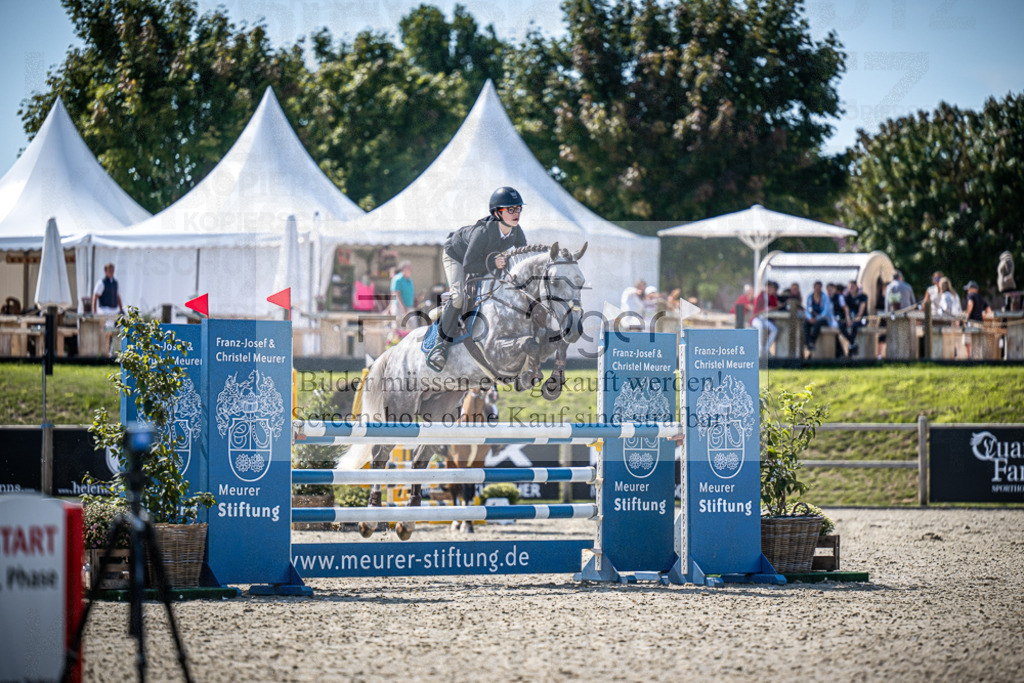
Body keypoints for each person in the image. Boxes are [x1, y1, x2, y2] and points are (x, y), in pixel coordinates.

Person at [427, 187, 528, 371]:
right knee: (458, 297)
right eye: (511, 209)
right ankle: (439, 345)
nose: (516, 213)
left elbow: (523, 258)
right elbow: (469, 266)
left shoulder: (516, 231)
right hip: (456, 256)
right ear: (497, 213)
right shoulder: (482, 232)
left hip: (482, 260)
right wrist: (493, 263)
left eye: (518, 209)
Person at [750, 281, 781, 356]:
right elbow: (756, 310)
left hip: (765, 319)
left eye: (771, 287)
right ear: (765, 288)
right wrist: (766, 309)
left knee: (774, 329)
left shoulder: (771, 297)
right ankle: (760, 349)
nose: (770, 289)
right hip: (756, 318)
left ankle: (766, 349)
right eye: (768, 287)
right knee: (760, 326)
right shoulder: (760, 296)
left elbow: (775, 307)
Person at [803, 281, 834, 353]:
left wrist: (817, 319)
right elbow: (807, 309)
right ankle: (809, 342)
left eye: (819, 287)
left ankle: (811, 342)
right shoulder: (810, 297)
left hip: (823, 319)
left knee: (817, 325)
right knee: (805, 325)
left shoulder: (825, 297)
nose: (817, 289)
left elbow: (826, 311)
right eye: (816, 287)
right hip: (812, 318)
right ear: (813, 288)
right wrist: (810, 318)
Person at [844, 280, 869, 354]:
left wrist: (853, 321)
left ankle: (851, 345)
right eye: (850, 286)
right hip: (852, 319)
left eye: (853, 286)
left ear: (856, 287)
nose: (851, 288)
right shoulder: (847, 298)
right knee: (841, 326)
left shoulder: (862, 296)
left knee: (854, 326)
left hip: (862, 319)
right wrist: (848, 320)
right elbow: (847, 310)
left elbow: (860, 312)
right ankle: (852, 343)